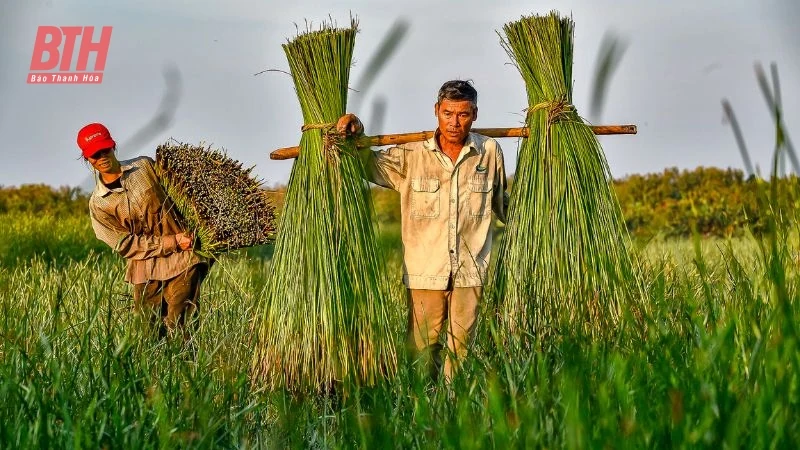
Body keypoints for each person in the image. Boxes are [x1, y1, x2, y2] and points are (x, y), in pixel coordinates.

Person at [337, 80, 509, 382]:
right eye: (448, 113)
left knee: (461, 351)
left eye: (463, 114)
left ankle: (454, 413)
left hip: (471, 271)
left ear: (475, 114)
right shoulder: (411, 156)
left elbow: (502, 204)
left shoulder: (489, 151)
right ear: (436, 111)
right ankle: (420, 413)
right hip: (425, 271)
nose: (455, 122)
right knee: (421, 349)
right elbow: (366, 163)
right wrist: (357, 131)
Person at [77, 122, 211, 342]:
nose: (102, 157)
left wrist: (194, 233)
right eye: (94, 154)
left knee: (181, 325)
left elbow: (183, 195)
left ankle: (187, 371)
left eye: (105, 149)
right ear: (87, 159)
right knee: (149, 333)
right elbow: (124, 244)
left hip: (184, 258)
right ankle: (156, 375)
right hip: (144, 267)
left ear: (113, 146)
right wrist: (171, 242)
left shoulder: (145, 168)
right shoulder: (99, 205)